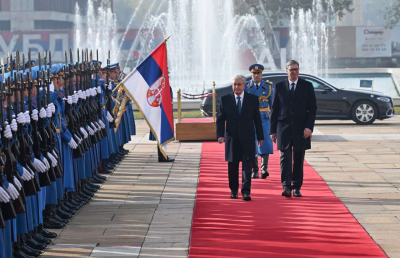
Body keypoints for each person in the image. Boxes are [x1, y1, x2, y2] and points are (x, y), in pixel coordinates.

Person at [270, 60, 317, 198]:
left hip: (301, 129)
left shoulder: (307, 86)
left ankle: (296, 187)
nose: (294, 72)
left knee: (298, 158)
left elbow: (312, 109)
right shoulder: (279, 86)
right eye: (291, 70)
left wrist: (309, 127)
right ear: (286, 71)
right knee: (285, 158)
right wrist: (272, 131)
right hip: (283, 128)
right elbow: (274, 109)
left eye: (296, 69)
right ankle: (286, 186)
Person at [216, 74, 263, 201]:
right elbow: (220, 119)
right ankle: (234, 190)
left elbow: (257, 119)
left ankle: (246, 191)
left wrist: (260, 136)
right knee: (233, 165)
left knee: (247, 165)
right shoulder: (225, 99)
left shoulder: (252, 99)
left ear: (245, 85)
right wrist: (220, 135)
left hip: (247, 137)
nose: (236, 87)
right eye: (234, 84)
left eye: (239, 84)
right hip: (232, 137)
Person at [245, 64, 274, 179]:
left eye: (258, 73)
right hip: (250, 119)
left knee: (265, 143)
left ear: (262, 74)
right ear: (251, 74)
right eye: (254, 73)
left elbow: (273, 106)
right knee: (252, 144)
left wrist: (274, 122)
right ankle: (254, 169)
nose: (256, 75)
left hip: (264, 119)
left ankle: (264, 168)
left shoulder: (268, 87)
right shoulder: (246, 87)